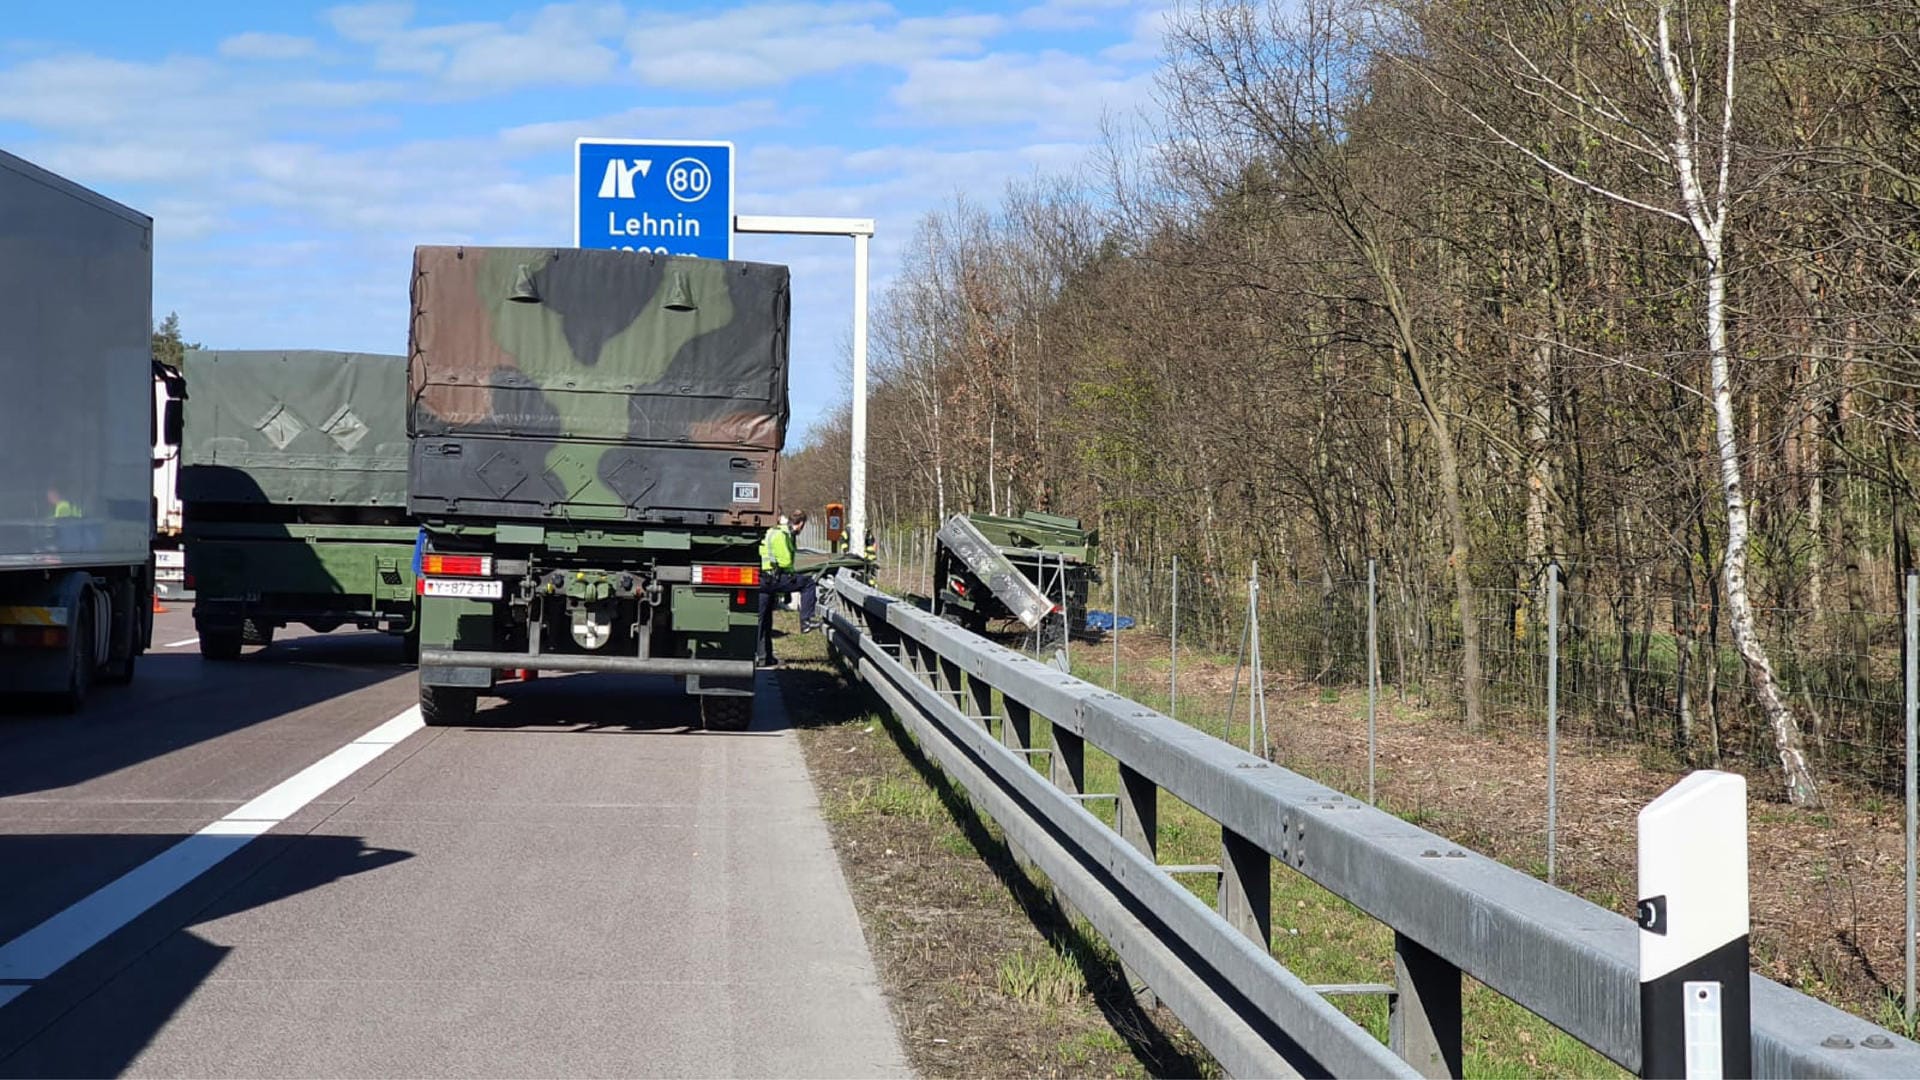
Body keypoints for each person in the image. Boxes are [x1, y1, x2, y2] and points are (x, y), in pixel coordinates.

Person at [757, 510, 818, 668]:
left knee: (763, 619)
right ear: (800, 524)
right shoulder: (784, 535)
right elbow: (784, 562)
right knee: (808, 584)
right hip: (774, 578)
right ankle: (806, 621)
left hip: (763, 579)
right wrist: (793, 576)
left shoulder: (772, 531)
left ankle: (763, 657)